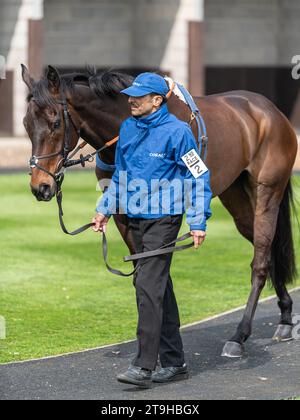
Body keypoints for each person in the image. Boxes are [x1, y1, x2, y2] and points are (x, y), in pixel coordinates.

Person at [92, 72, 212, 388]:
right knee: (158, 287)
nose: (131, 100)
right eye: (131, 95)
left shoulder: (179, 132)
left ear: (157, 101)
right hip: (136, 217)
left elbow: (198, 176)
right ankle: (175, 363)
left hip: (165, 218)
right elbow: (120, 174)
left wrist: (197, 221)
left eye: (139, 96)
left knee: (146, 285)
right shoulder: (128, 128)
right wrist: (105, 207)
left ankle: (144, 366)